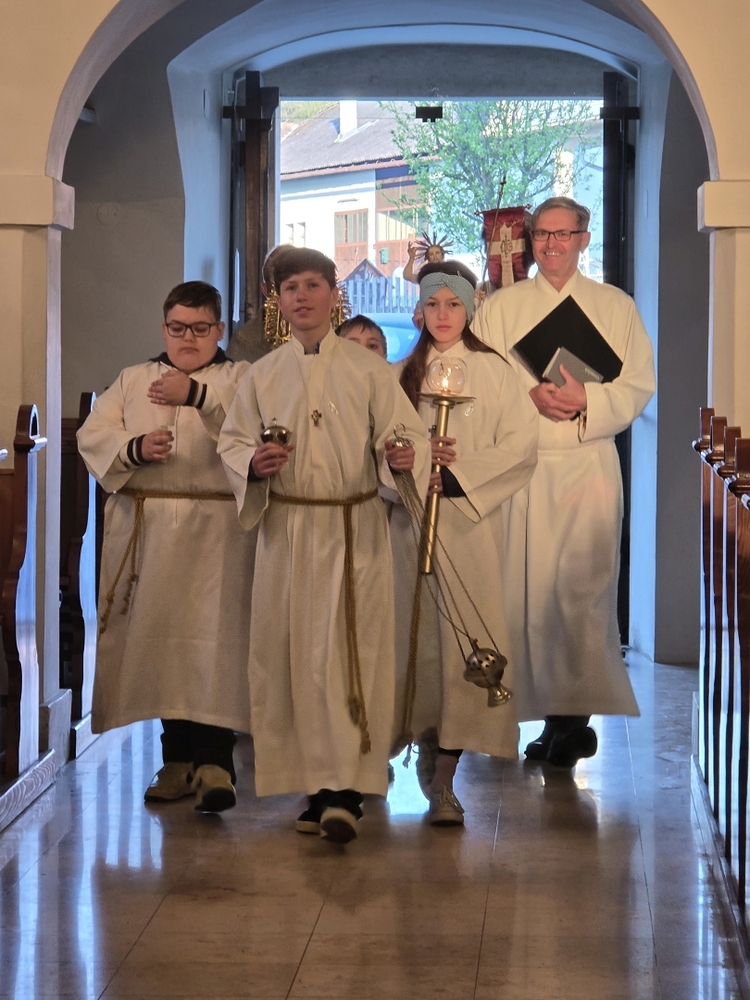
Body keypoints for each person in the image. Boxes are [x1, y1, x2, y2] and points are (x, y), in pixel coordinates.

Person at [217, 248, 431, 844]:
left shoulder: (368, 371)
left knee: (350, 655)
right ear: (277, 300)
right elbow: (233, 442)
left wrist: (400, 458)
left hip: (352, 529)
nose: (303, 297)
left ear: (335, 294)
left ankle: (346, 789)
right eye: (291, 288)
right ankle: (314, 786)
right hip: (288, 532)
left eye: (314, 285)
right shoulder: (262, 374)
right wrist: (254, 463)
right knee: (295, 659)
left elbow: (406, 435)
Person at [473, 196, 656, 767]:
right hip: (522, 467)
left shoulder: (615, 306)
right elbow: (478, 378)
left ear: (583, 239)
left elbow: (639, 384)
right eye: (542, 235)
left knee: (580, 597)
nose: (551, 244)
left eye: (562, 234)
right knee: (525, 599)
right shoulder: (502, 308)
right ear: (531, 241)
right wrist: (526, 396)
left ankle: (572, 723)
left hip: (585, 466)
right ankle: (537, 714)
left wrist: (588, 399)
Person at [77, 281, 254, 813]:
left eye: (200, 328)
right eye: (177, 328)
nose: (187, 339)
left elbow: (251, 433)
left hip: (219, 532)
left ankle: (216, 763)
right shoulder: (134, 379)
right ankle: (175, 760)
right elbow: (93, 434)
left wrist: (196, 397)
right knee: (161, 643)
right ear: (164, 328)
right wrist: (135, 447)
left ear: (218, 330)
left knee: (216, 645)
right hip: (150, 527)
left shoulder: (240, 379)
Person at [391, 260, 538, 825]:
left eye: (453, 304)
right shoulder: (400, 374)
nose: (443, 315)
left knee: (463, 644)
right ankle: (408, 746)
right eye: (433, 304)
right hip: (408, 525)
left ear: (471, 307)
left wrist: (457, 477)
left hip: (469, 528)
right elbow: (380, 446)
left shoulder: (496, 372)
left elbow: (520, 447)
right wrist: (405, 463)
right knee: (412, 642)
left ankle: (446, 780)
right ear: (420, 310)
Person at [226, 244, 296, 363]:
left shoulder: (326, 331)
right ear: (266, 290)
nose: (299, 295)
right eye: (290, 287)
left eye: (310, 285)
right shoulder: (244, 340)